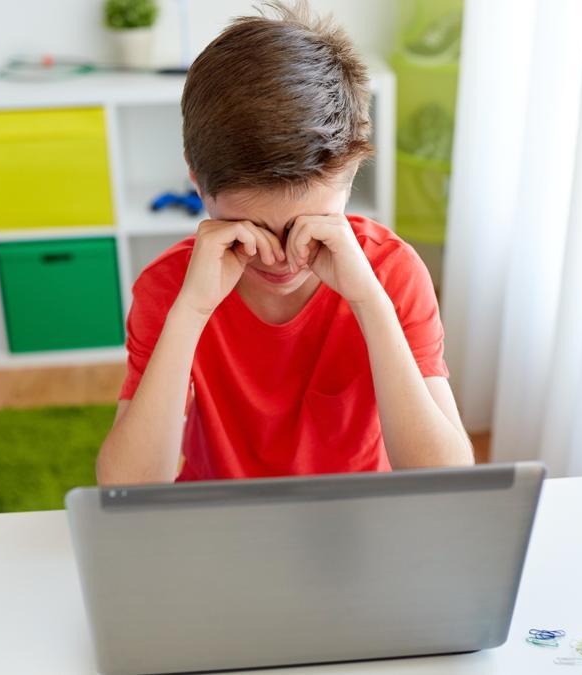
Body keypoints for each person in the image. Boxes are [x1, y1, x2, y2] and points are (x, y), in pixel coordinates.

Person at [97, 1, 473, 485]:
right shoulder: (172, 288)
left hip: (357, 514)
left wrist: (369, 303)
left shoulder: (390, 274)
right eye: (249, 230)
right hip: (218, 516)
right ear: (195, 178)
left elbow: (445, 480)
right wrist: (191, 312)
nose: (281, 256)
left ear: (351, 172)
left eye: (308, 226)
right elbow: (128, 489)